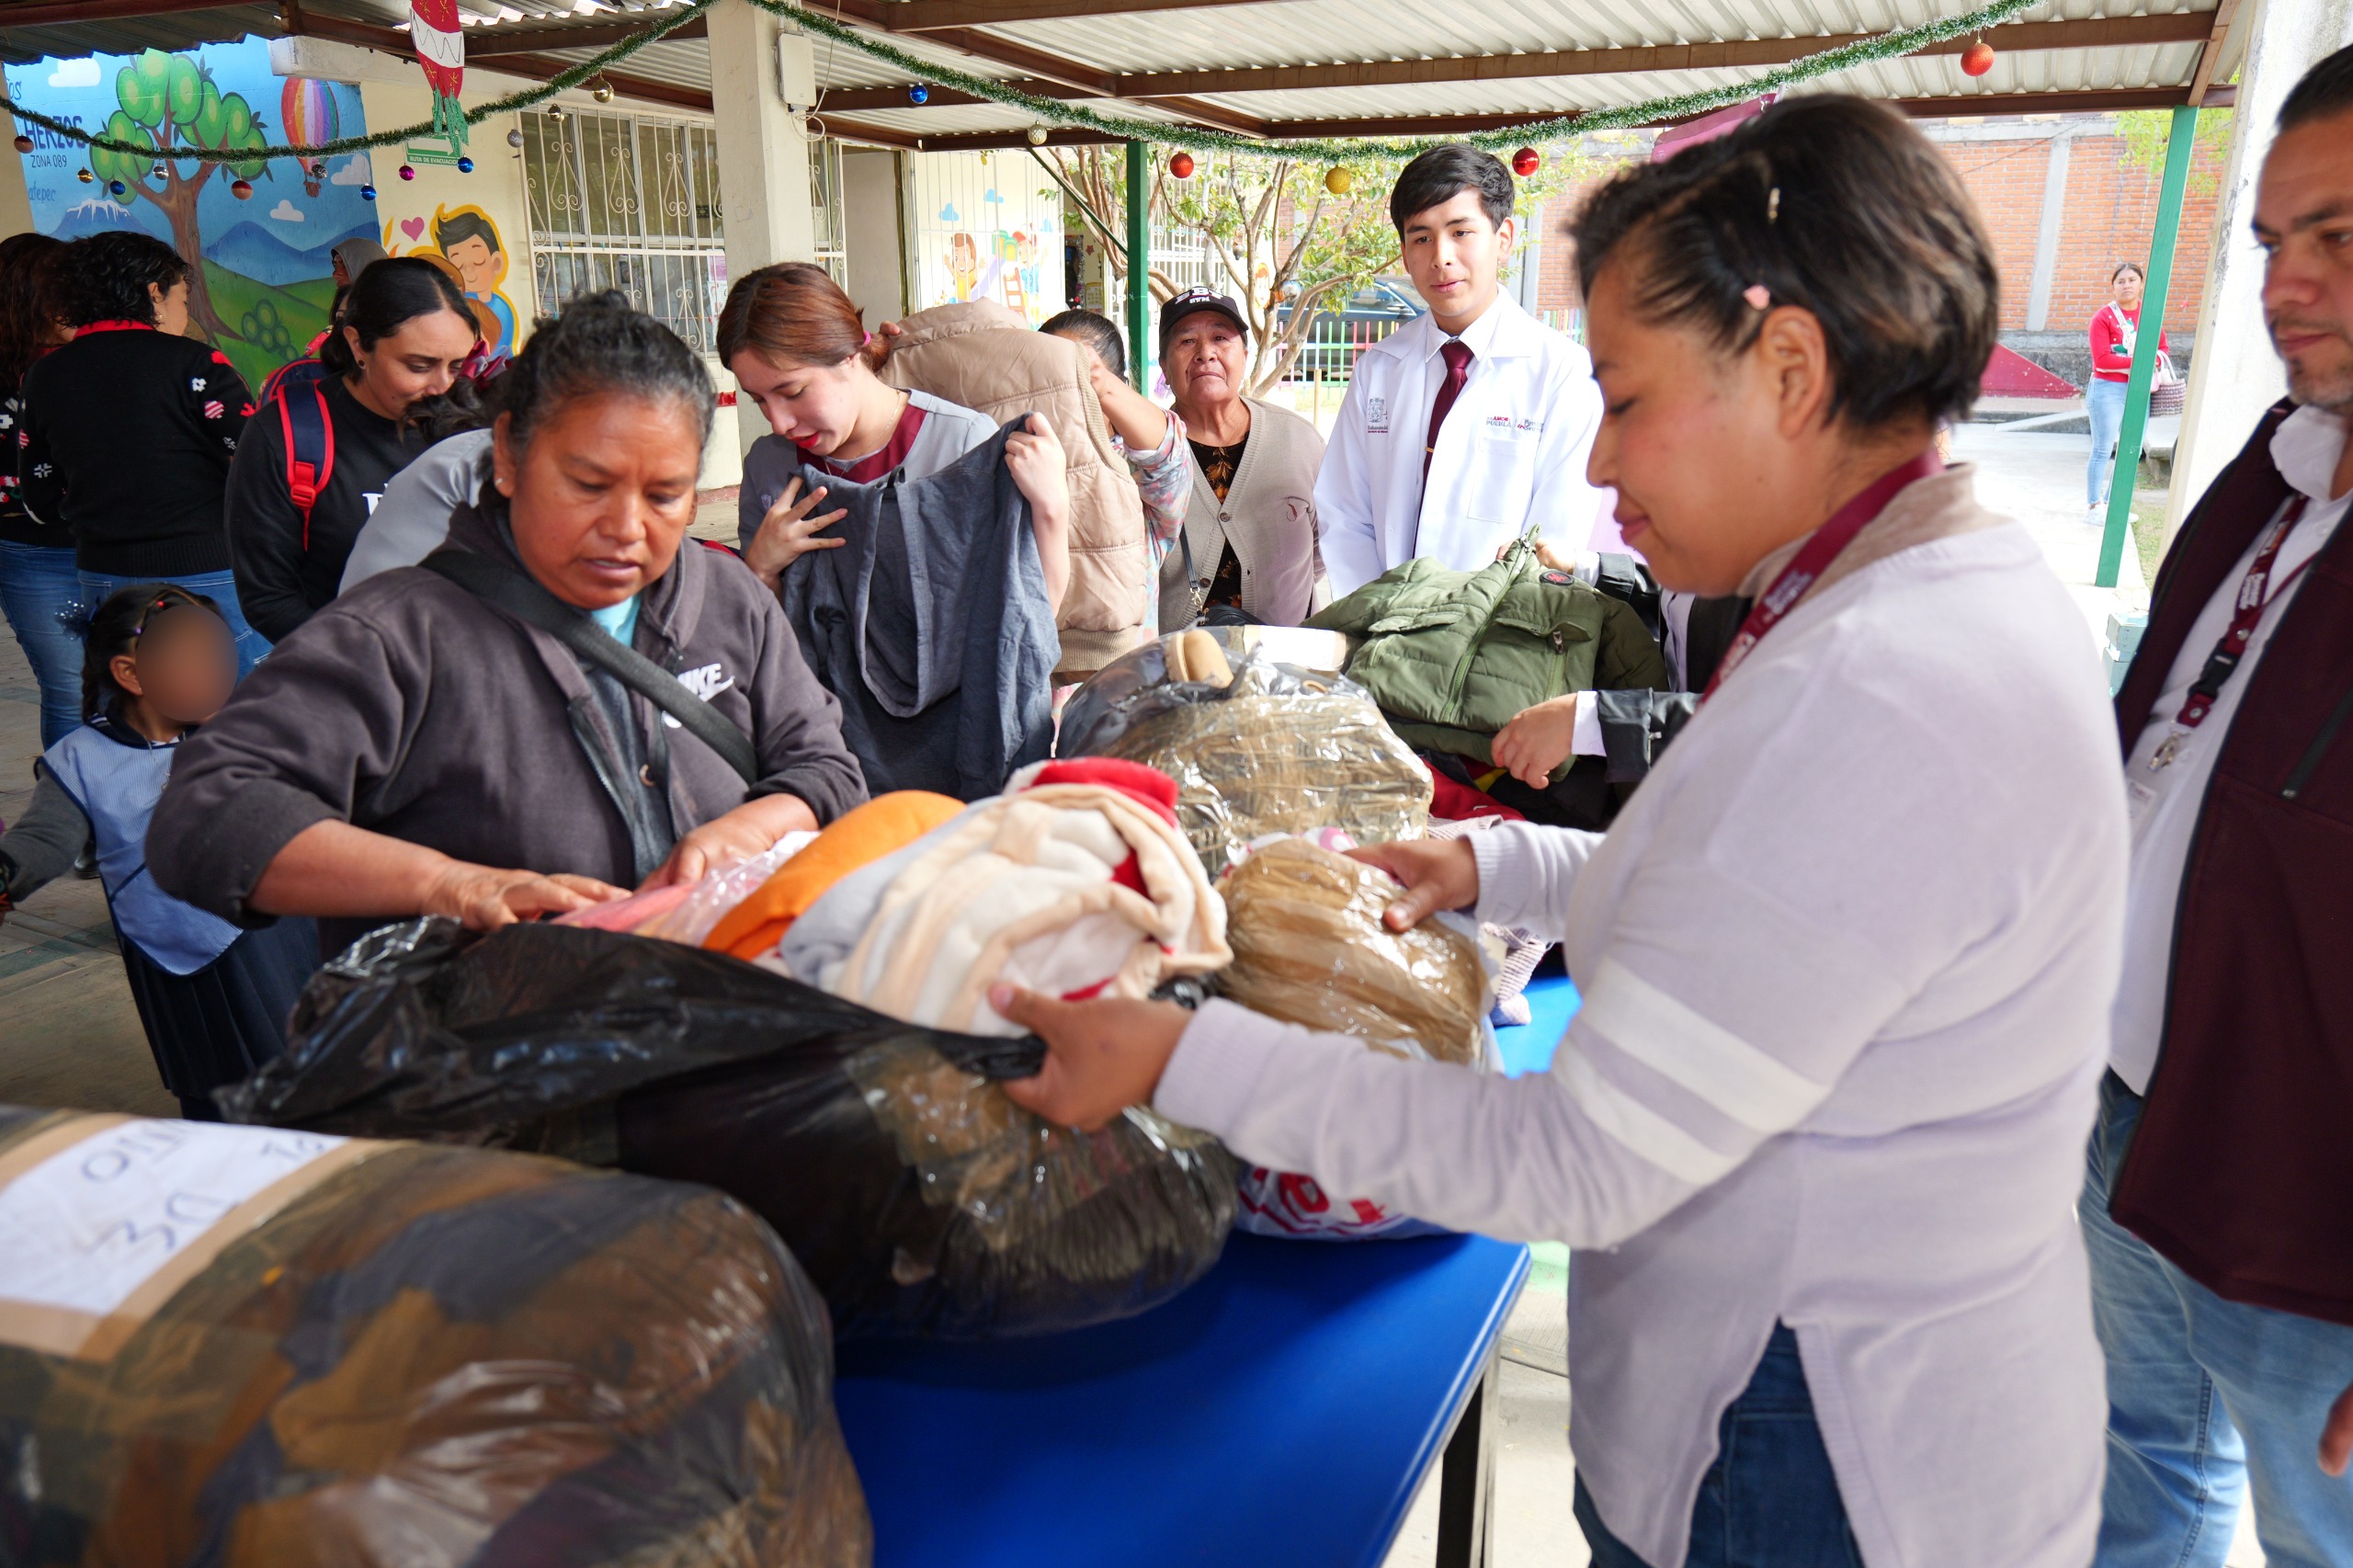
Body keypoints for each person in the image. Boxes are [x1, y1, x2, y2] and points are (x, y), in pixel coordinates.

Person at [990, 97, 2128, 1568]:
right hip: (1796, 1391)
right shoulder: (1876, 598)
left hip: (1821, 1451)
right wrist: (1496, 860)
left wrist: (1181, 1055)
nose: (1597, 469)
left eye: (1629, 401)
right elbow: (1773, 893)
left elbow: (1576, 1163)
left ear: (1792, 369)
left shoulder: (1896, 680)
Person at [147, 293, 868, 956]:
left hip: (715, 1035)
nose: (625, 528)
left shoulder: (729, 597)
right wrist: (455, 886)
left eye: (665, 494)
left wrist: (754, 824)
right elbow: (206, 821)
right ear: (508, 458)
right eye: (587, 485)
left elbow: (827, 771)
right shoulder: (397, 635)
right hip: (486, 1065)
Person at [2085, 43, 2353, 1568]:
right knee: (2141, 1475)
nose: (2286, 284)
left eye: (2342, 238)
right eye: (2272, 243)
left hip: (2314, 1211)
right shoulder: (2271, 472)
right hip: (2140, 1121)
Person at [0, 585, 317, 1119]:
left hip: (276, 939)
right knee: (216, 1092)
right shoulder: (80, 760)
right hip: (175, 959)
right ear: (130, 674)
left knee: (314, 1068)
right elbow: (44, 840)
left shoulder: (247, 730)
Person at [1314, 143, 1606, 595]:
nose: (1441, 257)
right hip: (1381, 636)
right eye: (1422, 237)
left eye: (1461, 232)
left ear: (1504, 238)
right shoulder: (1379, 370)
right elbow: (1346, 514)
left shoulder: (1563, 374)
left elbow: (1555, 539)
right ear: (1405, 252)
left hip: (1497, 640)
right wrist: (1374, 620)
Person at [720, 262, 1069, 610]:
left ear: (848, 356)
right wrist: (762, 569)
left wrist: (1051, 508)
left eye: (794, 392)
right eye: (759, 401)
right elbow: (761, 643)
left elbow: (1027, 620)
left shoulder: (963, 444)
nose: (779, 423)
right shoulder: (768, 465)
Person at [17, 231, 264, 676]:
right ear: (154, 292)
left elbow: (39, 500)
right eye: (183, 299)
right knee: (242, 709)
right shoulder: (197, 363)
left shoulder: (45, 376)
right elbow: (259, 463)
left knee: (137, 711)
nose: (184, 314)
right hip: (207, 573)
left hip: (104, 579)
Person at [226, 256, 480, 642]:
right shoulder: (288, 435)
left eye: (457, 365)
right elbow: (269, 598)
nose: (441, 387)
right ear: (358, 344)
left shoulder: (475, 430)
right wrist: (371, 664)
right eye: (418, 366)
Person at [1138, 289, 1326, 630]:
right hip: (1176, 668)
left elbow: (1325, 546)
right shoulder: (1148, 455)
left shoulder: (1299, 441)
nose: (1204, 354)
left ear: (1245, 354)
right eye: (1186, 342)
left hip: (1286, 663)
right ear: (1164, 366)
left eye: (1221, 338)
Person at [1041, 307, 1193, 627]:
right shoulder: (1019, 462)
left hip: (1121, 670)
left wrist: (1097, 381)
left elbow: (1170, 455)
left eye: (1077, 387)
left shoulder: (1132, 470)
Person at [0, 233, 78, 750]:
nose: (74, 303)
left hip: (106, 543)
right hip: (31, 551)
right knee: (72, 689)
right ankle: (74, 816)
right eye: (60, 291)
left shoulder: (86, 362)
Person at [2087, 261, 2171, 517]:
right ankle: (2094, 505)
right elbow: (2102, 360)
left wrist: (2145, 360)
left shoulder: (2150, 315)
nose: (2127, 285)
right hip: (2107, 389)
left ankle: (2115, 505)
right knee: (2103, 449)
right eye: (2121, 281)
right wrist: (2141, 361)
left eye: (2132, 280)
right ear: (2113, 287)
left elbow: (2162, 351)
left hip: (2138, 391)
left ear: (2141, 284)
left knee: (2132, 450)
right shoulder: (2103, 317)